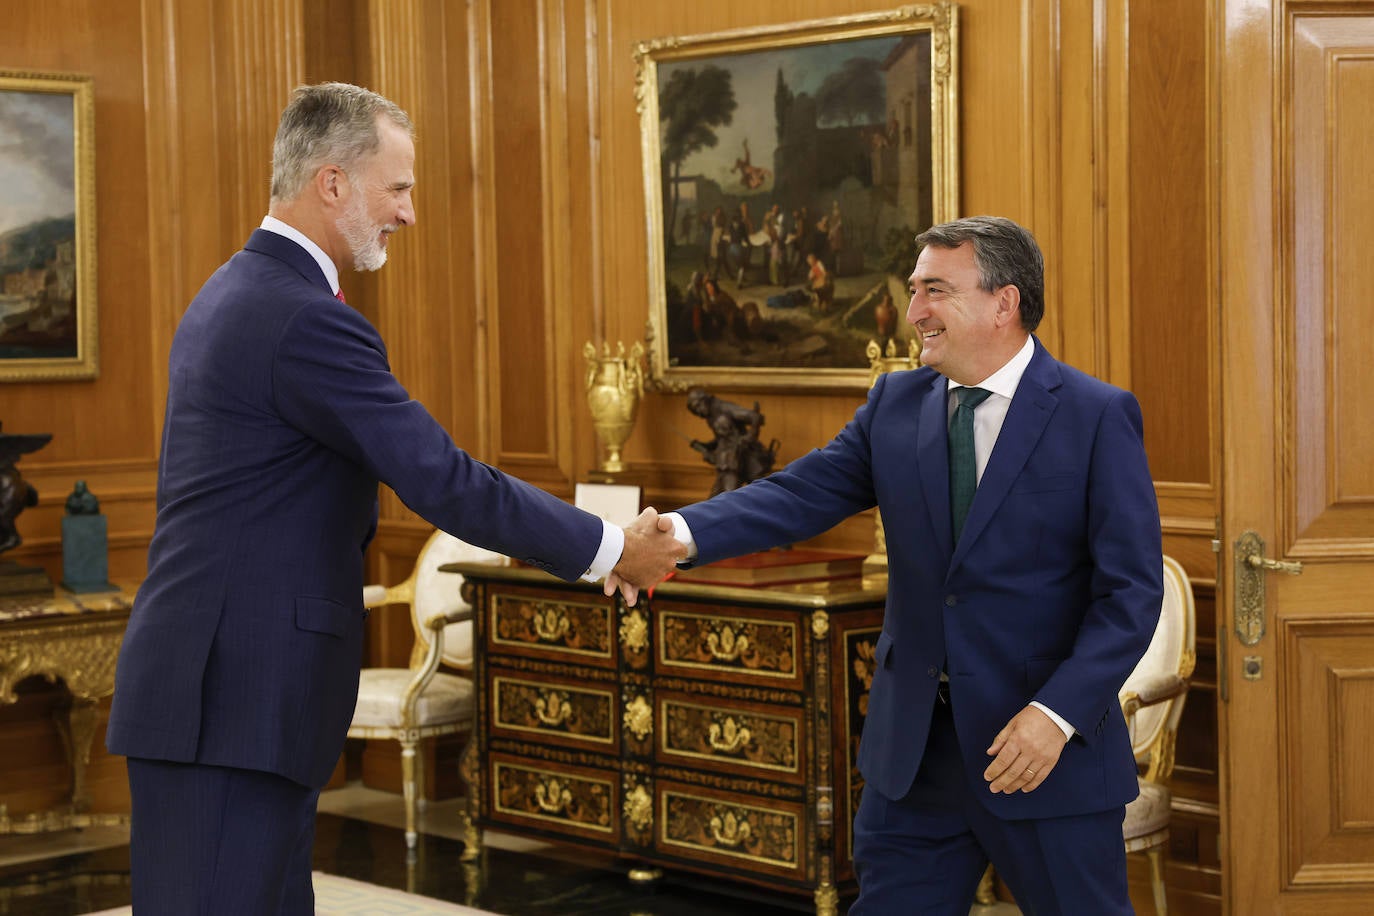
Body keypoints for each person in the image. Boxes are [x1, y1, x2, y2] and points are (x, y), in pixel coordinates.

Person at [105, 82, 684, 916]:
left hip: (221, 694)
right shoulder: (301, 318)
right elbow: (443, 478)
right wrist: (612, 548)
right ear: (332, 181)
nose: (410, 213)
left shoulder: (236, 291)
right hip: (233, 702)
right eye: (400, 187)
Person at [616, 216, 1162, 914]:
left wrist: (1053, 716)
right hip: (914, 762)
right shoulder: (894, 406)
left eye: (935, 290)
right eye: (913, 290)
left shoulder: (1096, 416)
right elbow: (799, 494)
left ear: (1005, 302)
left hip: (1039, 757)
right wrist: (676, 534)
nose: (914, 313)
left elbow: (1130, 596)